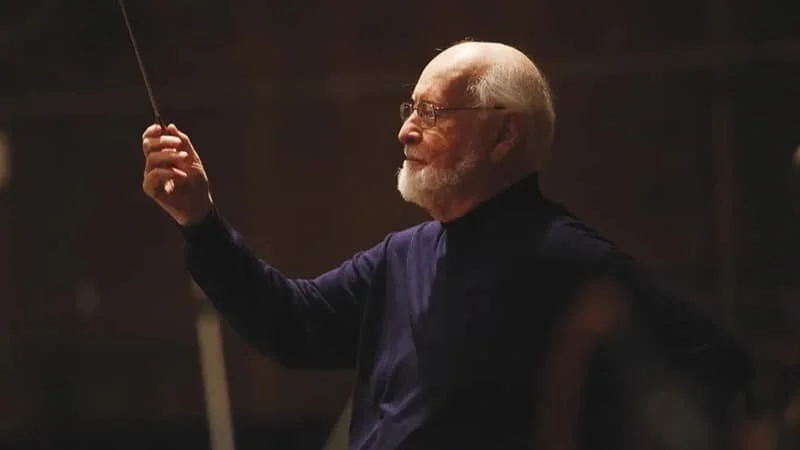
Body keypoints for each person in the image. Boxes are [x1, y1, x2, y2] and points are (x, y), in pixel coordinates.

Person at [141, 41, 754, 449]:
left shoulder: (570, 260)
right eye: (411, 107)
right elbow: (289, 326)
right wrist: (201, 222)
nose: (406, 128)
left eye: (432, 111)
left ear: (504, 133)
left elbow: (718, 367)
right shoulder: (400, 256)